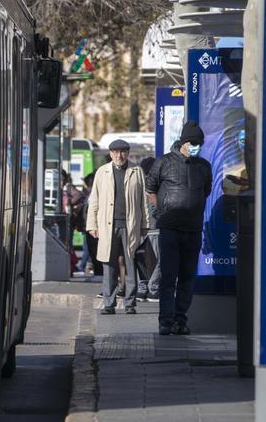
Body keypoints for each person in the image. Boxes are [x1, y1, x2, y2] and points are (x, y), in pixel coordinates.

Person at [145, 121, 212, 335]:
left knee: (187, 277)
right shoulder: (164, 162)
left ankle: (180, 319)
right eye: (192, 142)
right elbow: (150, 189)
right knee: (168, 276)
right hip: (170, 228)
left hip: (193, 229)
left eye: (199, 143)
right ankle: (165, 321)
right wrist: (161, 212)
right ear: (183, 142)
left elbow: (206, 191)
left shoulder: (203, 166)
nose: (196, 146)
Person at [86, 139, 151, 315]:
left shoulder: (137, 171)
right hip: (108, 226)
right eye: (116, 152)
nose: (119, 155)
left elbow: (143, 201)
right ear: (111, 153)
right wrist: (92, 224)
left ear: (128, 153)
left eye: (123, 152)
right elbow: (94, 201)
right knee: (109, 265)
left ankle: (130, 303)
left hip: (131, 225)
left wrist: (145, 224)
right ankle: (109, 303)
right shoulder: (102, 172)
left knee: (130, 265)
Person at [137, 157, 160, 300]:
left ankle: (142, 288)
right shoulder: (154, 185)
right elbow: (156, 209)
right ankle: (154, 288)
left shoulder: (138, 185)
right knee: (160, 260)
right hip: (155, 228)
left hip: (139, 229)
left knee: (140, 259)